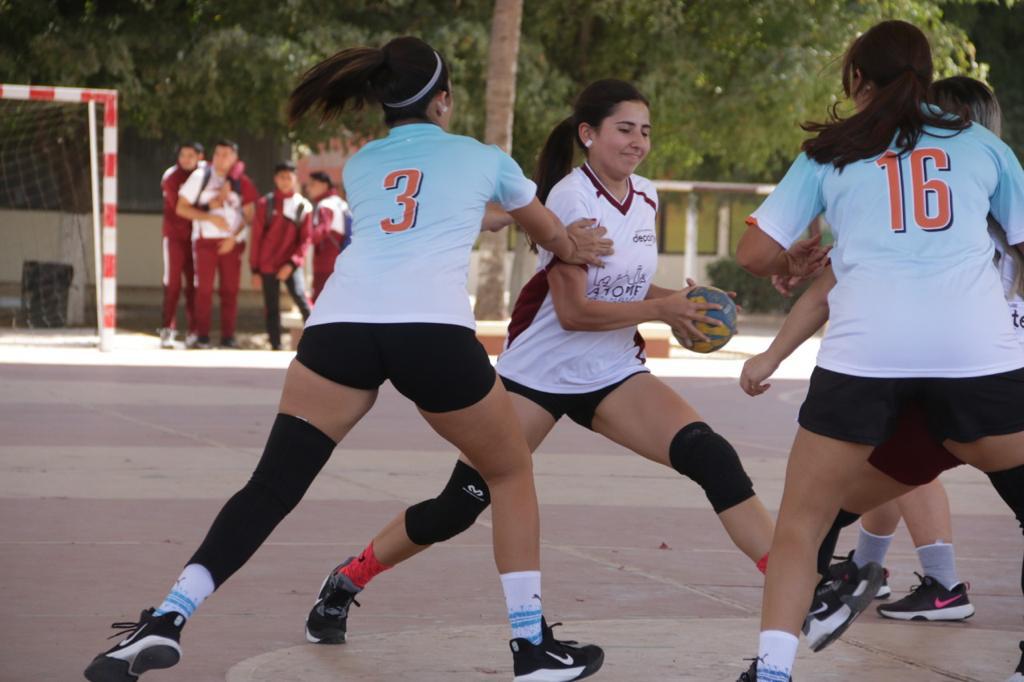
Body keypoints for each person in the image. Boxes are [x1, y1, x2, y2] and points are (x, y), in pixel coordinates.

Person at [83, 36, 613, 682]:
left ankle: (167, 616)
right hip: (431, 334)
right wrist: (574, 243)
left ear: (384, 104)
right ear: (444, 100)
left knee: (271, 487)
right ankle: (531, 648)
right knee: (508, 472)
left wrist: (488, 217)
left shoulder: (362, 165)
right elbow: (550, 234)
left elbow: (414, 216)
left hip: (339, 327)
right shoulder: (484, 157)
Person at [302, 78, 781, 653]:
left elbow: (619, 282)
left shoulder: (648, 196)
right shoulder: (568, 198)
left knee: (712, 456)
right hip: (536, 379)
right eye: (624, 129)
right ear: (588, 134)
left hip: (611, 374)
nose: (637, 142)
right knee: (459, 507)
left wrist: (678, 307)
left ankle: (797, 587)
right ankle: (346, 580)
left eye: (645, 131)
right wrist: (660, 308)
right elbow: (575, 310)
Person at [733, 21, 1024, 682]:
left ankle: (772, 671)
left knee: (802, 525)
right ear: (924, 76)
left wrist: (798, 252)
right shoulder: (981, 145)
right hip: (973, 354)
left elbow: (755, 255)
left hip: (867, 354)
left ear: (857, 80)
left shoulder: (831, 152)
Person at [177, 140, 259, 349]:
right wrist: (209, 217)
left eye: (226, 154)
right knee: (203, 289)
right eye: (218, 153)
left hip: (232, 243)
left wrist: (234, 236)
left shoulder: (242, 181)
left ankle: (228, 336)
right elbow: (181, 208)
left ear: (235, 158)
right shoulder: (200, 176)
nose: (221, 158)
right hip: (205, 241)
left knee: (230, 290)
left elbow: (249, 215)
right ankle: (201, 334)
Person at [250, 161, 313, 350]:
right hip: (267, 263)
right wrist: (255, 269)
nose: (285, 181)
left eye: (289, 177)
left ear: (295, 179)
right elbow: (256, 238)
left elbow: (305, 240)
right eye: (281, 177)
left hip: (291, 264)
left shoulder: (303, 206)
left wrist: (292, 264)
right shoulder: (265, 204)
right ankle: (275, 345)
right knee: (271, 306)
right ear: (275, 179)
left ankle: (317, 343)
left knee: (303, 301)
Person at [158, 142, 204, 348]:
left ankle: (194, 331)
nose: (186, 159)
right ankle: (167, 328)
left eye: (191, 155)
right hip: (174, 238)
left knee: (195, 285)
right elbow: (180, 207)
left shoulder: (204, 175)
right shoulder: (171, 177)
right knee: (172, 283)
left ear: (200, 157)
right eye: (183, 154)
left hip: (196, 238)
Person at [307, 171, 352, 302]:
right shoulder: (342, 203)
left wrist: (306, 238)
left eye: (312, 184)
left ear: (324, 185)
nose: (308, 188)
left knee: (321, 301)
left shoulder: (325, 205)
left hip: (325, 263)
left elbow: (323, 230)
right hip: (343, 260)